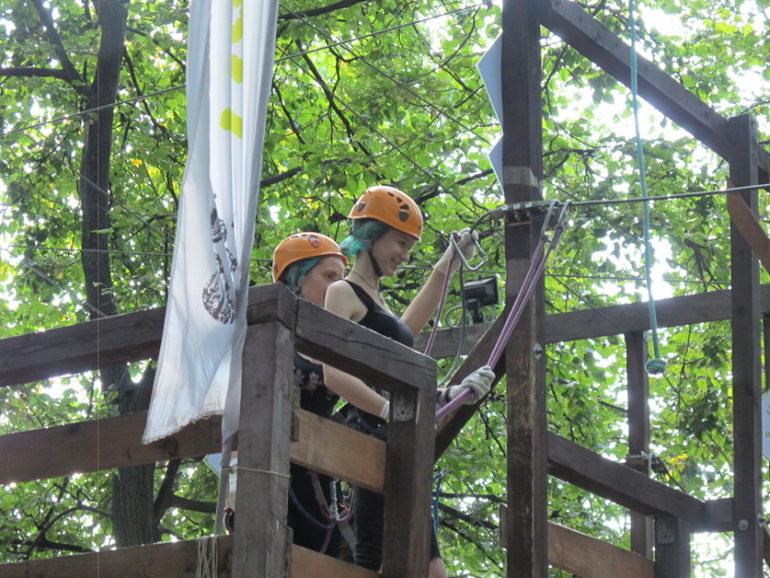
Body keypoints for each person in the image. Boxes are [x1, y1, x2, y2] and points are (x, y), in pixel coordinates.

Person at [322, 185, 495, 577]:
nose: (405, 255)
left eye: (410, 247)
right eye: (400, 243)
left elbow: (406, 330)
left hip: (395, 434)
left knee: (429, 566)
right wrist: (387, 409)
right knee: (376, 556)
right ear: (372, 235)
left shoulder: (377, 302)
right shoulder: (342, 292)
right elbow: (334, 373)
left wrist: (449, 262)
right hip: (372, 430)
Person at [226, 232, 348, 555]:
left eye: (343, 279)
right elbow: (238, 403)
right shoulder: (266, 332)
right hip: (269, 469)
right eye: (329, 276)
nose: (339, 287)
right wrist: (236, 475)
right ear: (297, 277)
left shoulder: (341, 341)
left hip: (321, 482)